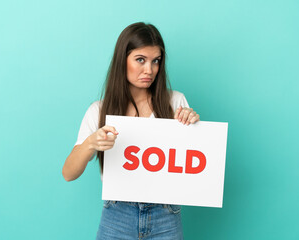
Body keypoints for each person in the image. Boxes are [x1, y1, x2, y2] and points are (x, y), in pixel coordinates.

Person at [62, 22, 200, 240]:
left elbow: (194, 163)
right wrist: (91, 143)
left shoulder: (176, 102)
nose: (149, 70)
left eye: (156, 61)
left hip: (166, 214)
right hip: (118, 215)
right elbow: (69, 173)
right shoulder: (99, 110)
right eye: (140, 60)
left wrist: (191, 125)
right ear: (122, 60)